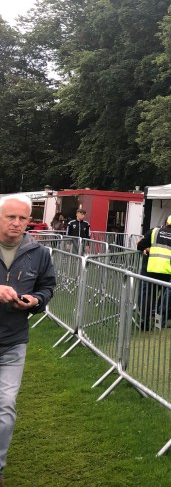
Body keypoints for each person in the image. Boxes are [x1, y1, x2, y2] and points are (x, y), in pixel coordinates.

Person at [0, 194, 55, 486]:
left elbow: (48, 286)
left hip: (13, 341)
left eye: (22, 218)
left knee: (5, 407)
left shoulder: (39, 253)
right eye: (10, 217)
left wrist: (35, 300)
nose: (16, 223)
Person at [136, 214, 171, 331]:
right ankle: (161, 322)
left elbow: (140, 245)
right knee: (166, 298)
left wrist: (147, 249)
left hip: (152, 269)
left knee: (148, 296)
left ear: (166, 222)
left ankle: (144, 320)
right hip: (168, 272)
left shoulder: (154, 231)